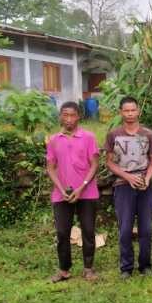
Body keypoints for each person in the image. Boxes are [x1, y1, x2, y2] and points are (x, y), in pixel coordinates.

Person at [105, 96, 152, 279]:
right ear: (121, 112)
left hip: (144, 185)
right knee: (125, 228)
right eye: (126, 110)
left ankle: (145, 265)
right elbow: (110, 163)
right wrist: (127, 176)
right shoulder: (114, 134)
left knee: (146, 228)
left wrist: (147, 178)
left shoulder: (148, 134)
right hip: (123, 185)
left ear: (138, 111)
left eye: (133, 110)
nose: (130, 114)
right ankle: (126, 268)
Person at [46, 102, 100, 283]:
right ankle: (64, 269)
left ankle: (88, 268)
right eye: (65, 115)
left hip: (87, 193)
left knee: (88, 231)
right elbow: (51, 167)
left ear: (78, 116)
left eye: (72, 115)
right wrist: (61, 189)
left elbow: (94, 165)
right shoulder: (54, 140)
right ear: (60, 116)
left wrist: (82, 187)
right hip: (61, 195)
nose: (68, 119)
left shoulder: (89, 137)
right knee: (62, 232)